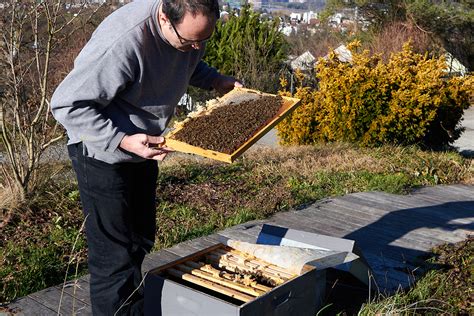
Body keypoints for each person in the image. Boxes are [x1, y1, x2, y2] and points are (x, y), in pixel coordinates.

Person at [50, 0, 241, 314]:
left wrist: (214, 80)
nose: (196, 47)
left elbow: (187, 61)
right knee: (114, 258)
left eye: (203, 40)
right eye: (189, 40)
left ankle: (132, 307)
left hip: (144, 148)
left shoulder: (188, 30)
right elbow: (67, 105)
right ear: (164, 18)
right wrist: (122, 140)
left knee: (139, 239)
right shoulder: (123, 42)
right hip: (101, 154)